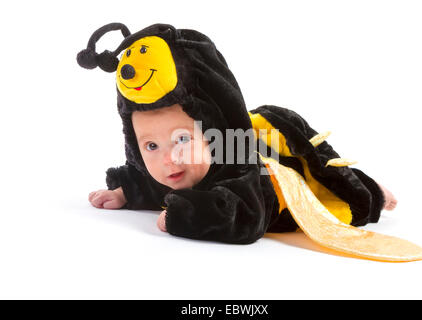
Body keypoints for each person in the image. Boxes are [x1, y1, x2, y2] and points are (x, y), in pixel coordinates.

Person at [79, 22, 397, 244]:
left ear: (212, 131)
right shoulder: (175, 168)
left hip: (287, 173)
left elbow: (247, 218)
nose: (168, 159)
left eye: (182, 139)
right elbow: (153, 183)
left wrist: (187, 216)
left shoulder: (240, 170)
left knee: (333, 186)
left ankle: (373, 189)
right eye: (150, 145)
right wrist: (126, 192)